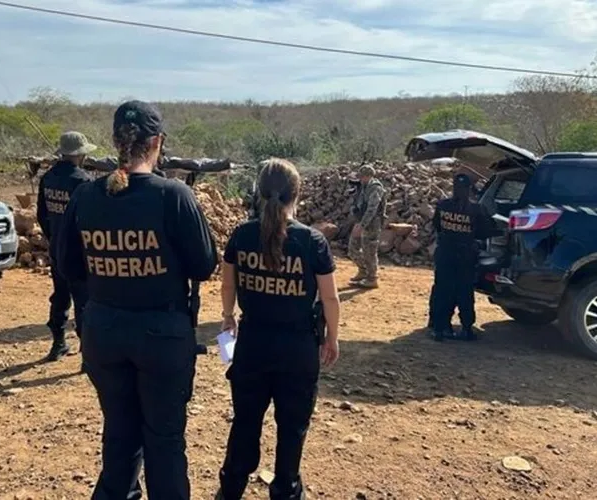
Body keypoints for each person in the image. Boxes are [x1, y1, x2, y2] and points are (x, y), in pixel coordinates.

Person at [55, 100, 218, 500]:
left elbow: (67, 264)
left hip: (104, 332)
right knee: (163, 441)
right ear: (157, 142)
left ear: (116, 142)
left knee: (120, 433)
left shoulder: (86, 196)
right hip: (162, 336)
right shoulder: (173, 195)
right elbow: (203, 265)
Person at [216, 158, 341, 500]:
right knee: (292, 430)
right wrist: (332, 337)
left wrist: (228, 317)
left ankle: (230, 489)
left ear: (257, 191)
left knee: (244, 424)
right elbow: (330, 298)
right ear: (295, 195)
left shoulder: (241, 235)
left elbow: (228, 286)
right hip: (298, 351)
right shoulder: (312, 241)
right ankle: (285, 489)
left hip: (252, 347)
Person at [36, 131, 95, 363]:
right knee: (84, 301)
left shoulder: (48, 178)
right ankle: (87, 355)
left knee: (60, 296)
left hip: (57, 250)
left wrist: (54, 238)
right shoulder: (83, 181)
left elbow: (42, 214)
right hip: (80, 253)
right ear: (80, 155)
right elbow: (91, 220)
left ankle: (58, 343)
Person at [430, 173, 498, 341]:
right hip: (465, 256)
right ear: (469, 190)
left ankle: (439, 328)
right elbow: (485, 232)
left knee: (442, 290)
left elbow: (437, 226)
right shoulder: (476, 209)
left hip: (445, 253)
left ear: (454, 188)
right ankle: (466, 328)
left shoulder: (443, 205)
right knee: (464, 292)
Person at [347, 165, 386, 289]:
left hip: (372, 223)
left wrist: (362, 225)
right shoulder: (363, 187)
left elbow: (372, 209)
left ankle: (372, 278)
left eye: (362, 177)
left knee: (369, 250)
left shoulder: (375, 188)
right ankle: (363, 271)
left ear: (368, 176)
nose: (360, 179)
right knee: (352, 248)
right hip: (361, 221)